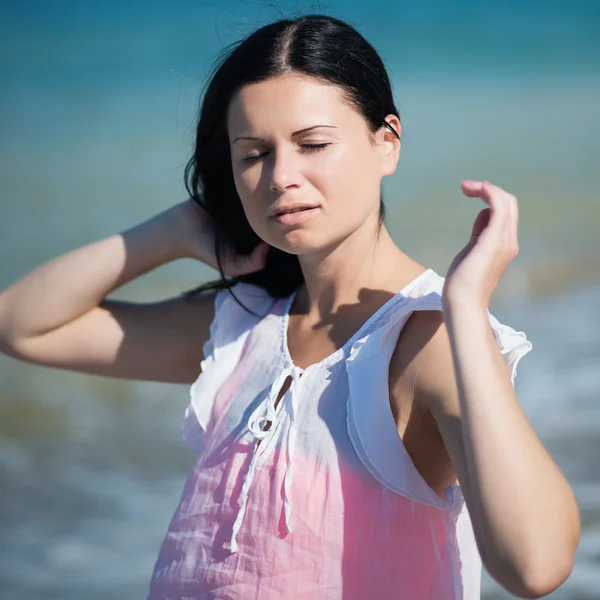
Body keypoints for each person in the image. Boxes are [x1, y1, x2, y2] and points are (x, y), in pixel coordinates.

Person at [0, 13, 580, 600]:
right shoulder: (241, 327)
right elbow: (22, 327)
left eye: (313, 144)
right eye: (253, 154)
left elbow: (536, 566)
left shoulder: (427, 340)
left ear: (387, 143)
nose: (281, 177)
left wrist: (464, 307)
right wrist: (177, 229)